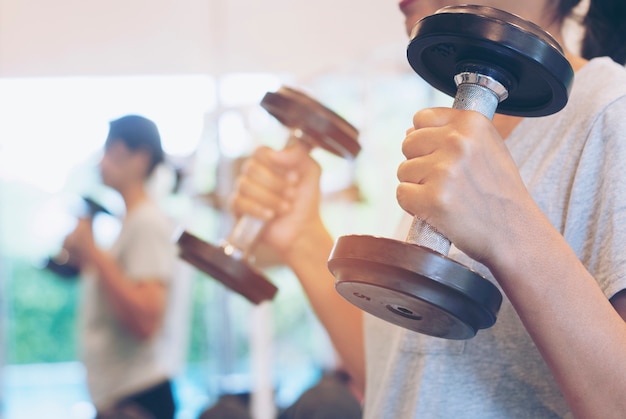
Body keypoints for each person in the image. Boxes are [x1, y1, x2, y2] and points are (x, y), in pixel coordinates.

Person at [228, 0, 626, 417]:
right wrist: (304, 238)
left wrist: (509, 229)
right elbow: (400, 380)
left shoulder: (609, 113)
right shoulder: (464, 133)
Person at [62, 115, 190, 419]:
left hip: (137, 399)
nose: (102, 162)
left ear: (140, 157)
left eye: (112, 152)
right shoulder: (129, 222)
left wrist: (95, 254)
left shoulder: (146, 222)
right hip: (121, 397)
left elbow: (146, 320)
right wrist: (86, 258)